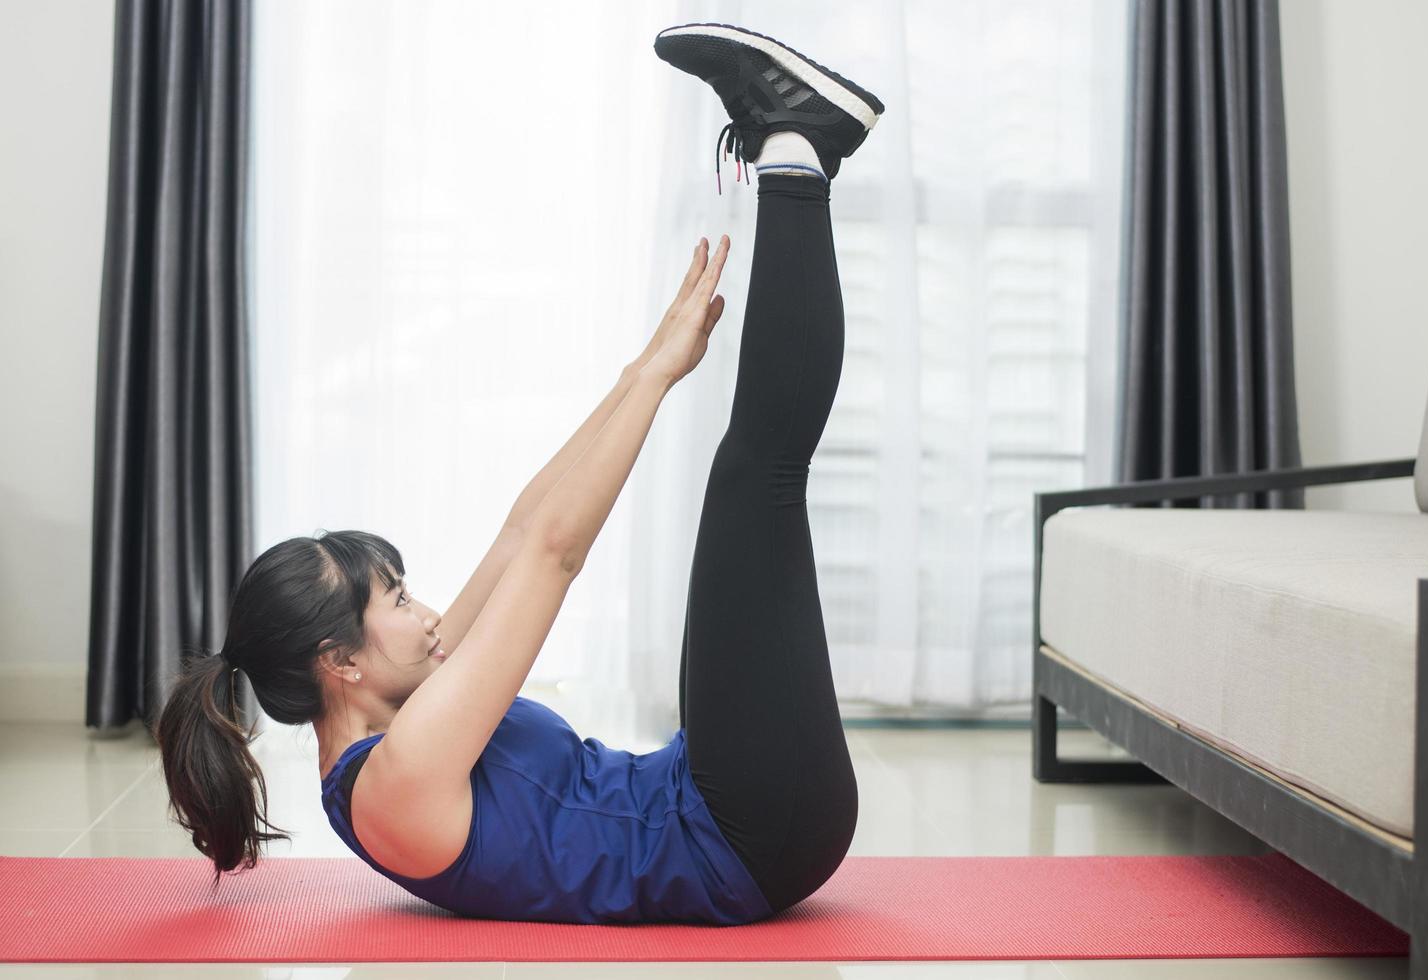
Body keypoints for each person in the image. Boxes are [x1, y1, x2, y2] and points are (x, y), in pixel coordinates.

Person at [154, 22, 884, 925]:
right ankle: (800, 144)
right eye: (396, 600)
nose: (425, 613)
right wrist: (653, 383)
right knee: (758, 474)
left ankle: (798, 148)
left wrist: (640, 371)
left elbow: (516, 531)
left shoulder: (407, 701)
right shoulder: (399, 781)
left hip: (719, 801)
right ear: (338, 661)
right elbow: (551, 555)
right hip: (744, 836)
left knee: (754, 475)